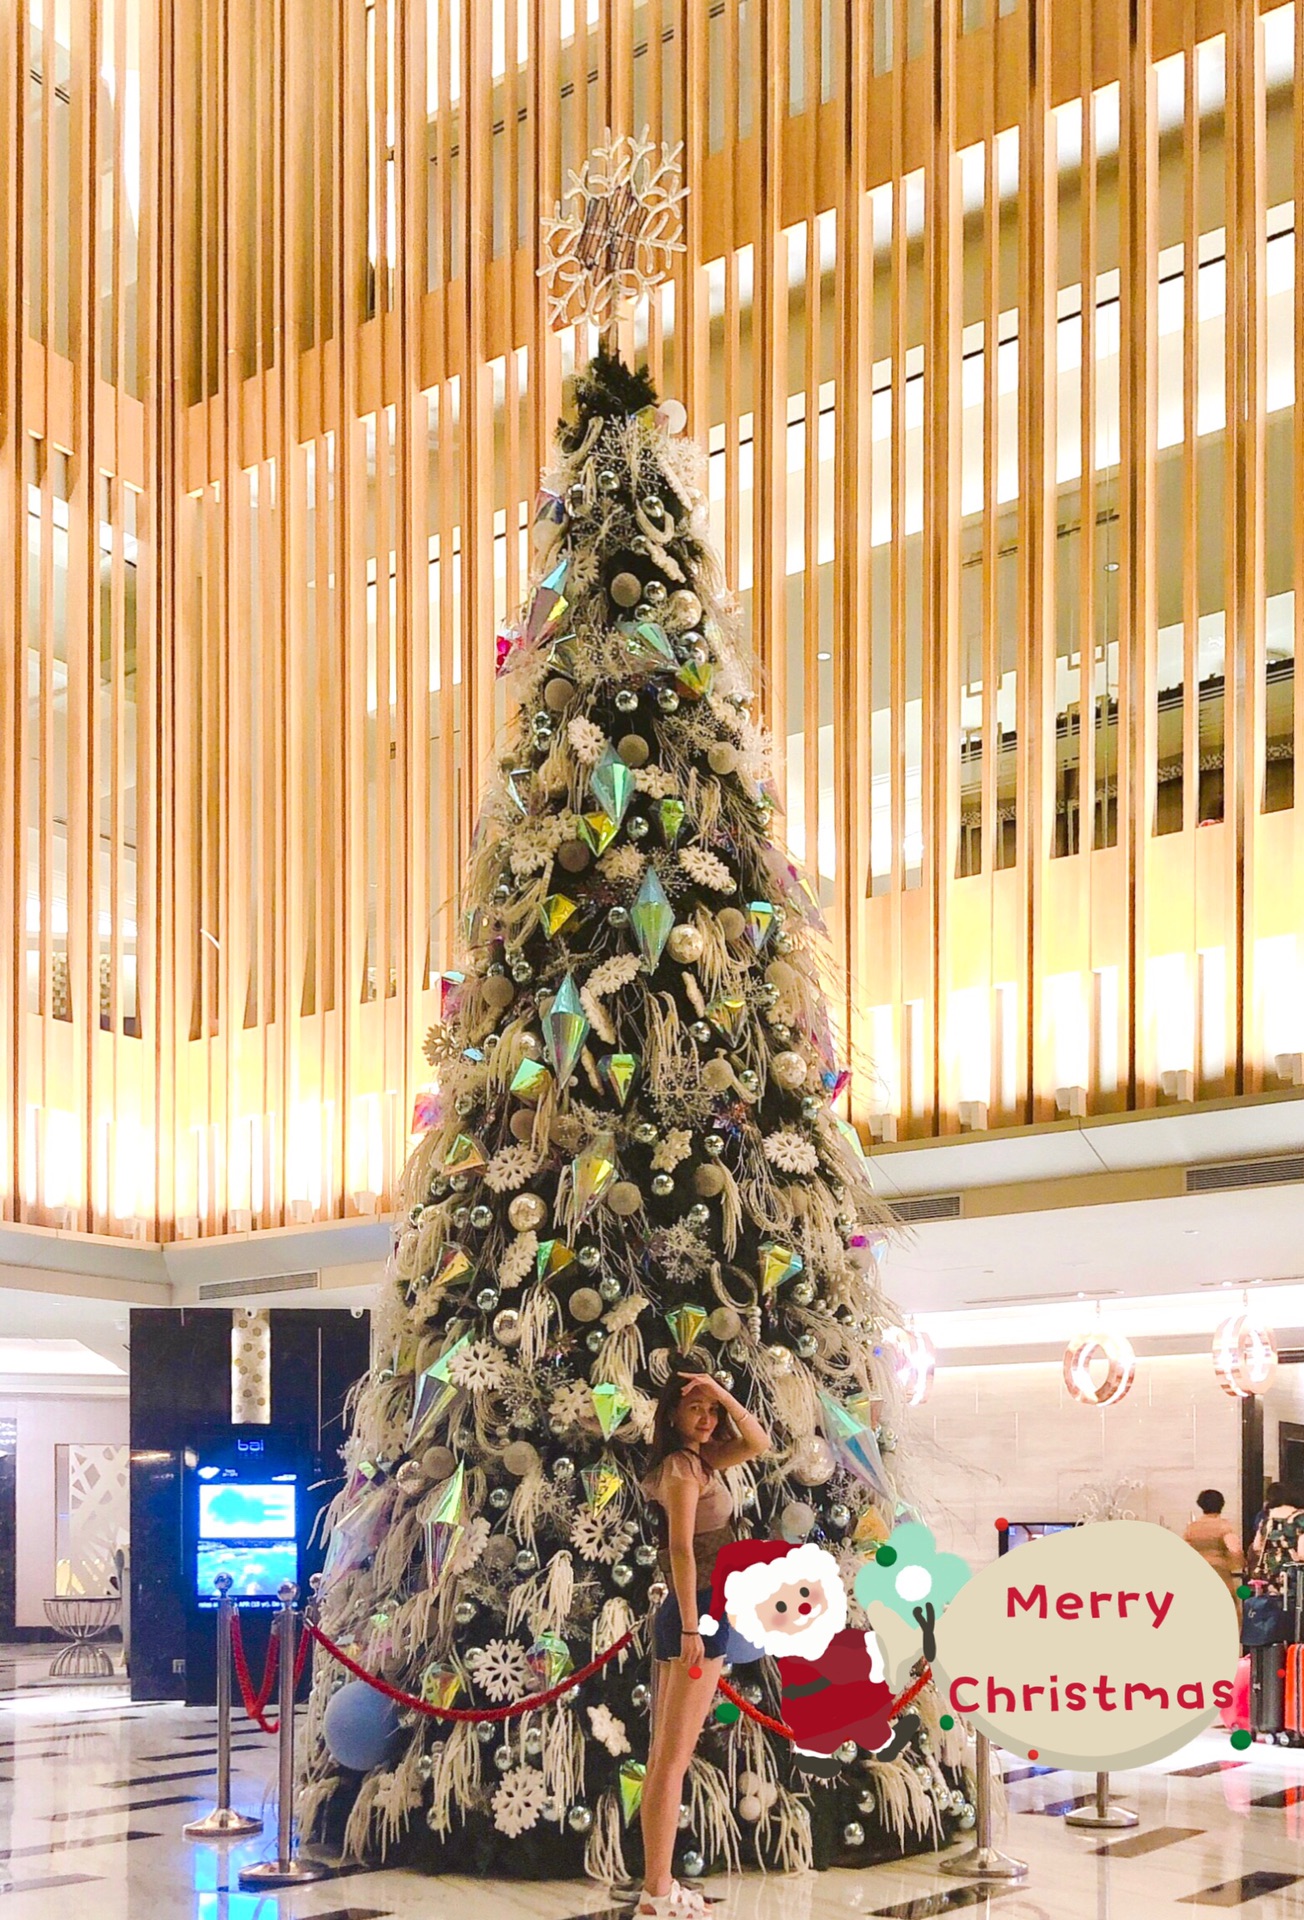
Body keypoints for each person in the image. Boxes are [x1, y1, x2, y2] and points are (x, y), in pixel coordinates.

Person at [637, 1359, 771, 1919]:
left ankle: (658, 1889)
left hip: (704, 1613)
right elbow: (682, 1550)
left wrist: (719, 1389)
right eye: (695, 1407)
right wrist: (693, 1625)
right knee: (671, 1761)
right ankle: (656, 1893)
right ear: (671, 1414)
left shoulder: (702, 1460)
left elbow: (758, 1441)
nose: (707, 1417)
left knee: (666, 1758)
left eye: (711, 1409)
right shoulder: (679, 1469)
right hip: (701, 1615)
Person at [1183, 1490, 1242, 1611]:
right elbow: (1235, 1549)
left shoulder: (1192, 1527)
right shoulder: (1224, 1526)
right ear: (1222, 1504)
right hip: (1220, 1573)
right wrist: (1237, 1565)